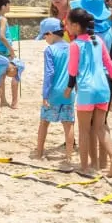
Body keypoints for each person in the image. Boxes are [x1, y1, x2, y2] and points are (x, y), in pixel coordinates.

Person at [64, 7, 112, 178]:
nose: (66, 26)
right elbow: (109, 64)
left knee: (84, 130)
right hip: (104, 88)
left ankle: (85, 166)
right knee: (100, 128)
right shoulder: (98, 41)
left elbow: (72, 71)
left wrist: (68, 89)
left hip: (87, 90)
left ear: (75, 26)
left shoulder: (75, 45)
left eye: (68, 23)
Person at [32, 18, 75, 165]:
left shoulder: (50, 50)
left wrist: (45, 94)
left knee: (44, 122)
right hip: (69, 90)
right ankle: (69, 156)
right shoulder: (72, 47)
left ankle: (39, 153)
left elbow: (49, 73)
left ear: (50, 33)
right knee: (68, 124)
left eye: (45, 36)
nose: (45, 39)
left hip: (54, 92)